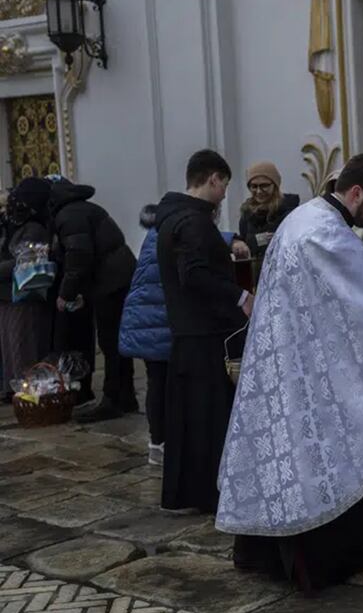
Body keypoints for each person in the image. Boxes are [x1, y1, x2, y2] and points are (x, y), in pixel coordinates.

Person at [217, 153, 363, 592]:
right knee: (318, 460)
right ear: (355, 193)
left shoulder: (304, 217)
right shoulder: (326, 234)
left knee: (283, 459)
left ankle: (267, 554)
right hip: (308, 373)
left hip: (286, 361)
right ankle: (320, 564)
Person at [156, 149, 253, 513]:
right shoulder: (194, 222)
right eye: (224, 185)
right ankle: (209, 493)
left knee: (191, 421)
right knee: (208, 421)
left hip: (188, 334)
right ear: (212, 179)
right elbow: (194, 273)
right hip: (204, 336)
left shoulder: (172, 218)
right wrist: (240, 294)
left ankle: (190, 492)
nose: (225, 194)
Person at [119, 203, 249, 465]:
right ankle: (171, 444)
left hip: (146, 320)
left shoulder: (159, 231)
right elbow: (197, 247)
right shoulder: (180, 232)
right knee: (172, 387)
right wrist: (231, 239)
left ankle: (158, 443)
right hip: (160, 322)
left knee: (157, 383)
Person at [49, 176, 138, 422]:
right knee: (120, 340)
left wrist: (66, 293)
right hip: (121, 275)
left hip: (111, 281)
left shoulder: (68, 216)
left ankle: (112, 399)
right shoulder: (85, 208)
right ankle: (126, 395)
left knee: (110, 342)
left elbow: (79, 256)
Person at [0, 180, 54, 398]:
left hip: (21, 295)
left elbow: (25, 262)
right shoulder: (13, 226)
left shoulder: (33, 229)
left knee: (22, 345)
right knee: (9, 346)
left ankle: (28, 391)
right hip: (6, 296)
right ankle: (12, 388)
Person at [238, 161, 300, 263]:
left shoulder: (289, 212)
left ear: (275, 186)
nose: (258, 191)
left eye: (264, 185)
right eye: (254, 186)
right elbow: (245, 243)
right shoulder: (246, 213)